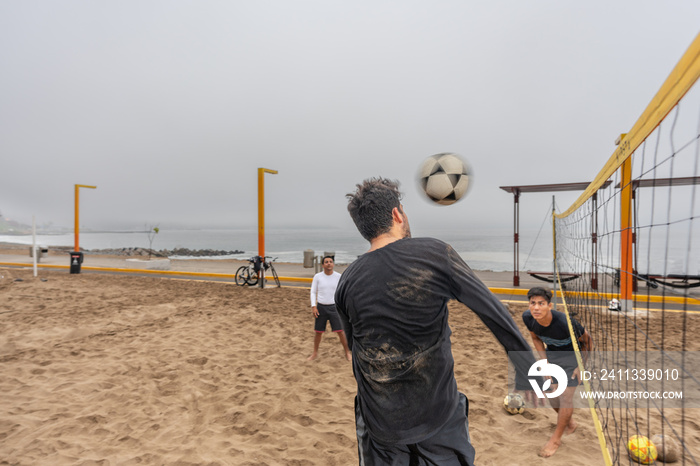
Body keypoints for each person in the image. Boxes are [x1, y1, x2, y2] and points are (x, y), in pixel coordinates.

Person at [334, 177, 538, 465]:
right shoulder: (434, 254)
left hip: (379, 422)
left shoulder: (347, 280)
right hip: (437, 415)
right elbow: (494, 313)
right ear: (397, 214)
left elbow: (356, 348)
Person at [522, 286, 592, 458]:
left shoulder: (565, 323)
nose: (536, 307)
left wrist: (581, 367)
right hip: (553, 356)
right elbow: (535, 338)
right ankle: (570, 423)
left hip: (574, 358)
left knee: (566, 397)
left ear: (549, 306)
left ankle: (556, 439)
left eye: (541, 303)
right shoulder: (528, 318)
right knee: (552, 396)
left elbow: (588, 342)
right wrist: (544, 363)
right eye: (533, 303)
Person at [307, 255, 352, 361]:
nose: (329, 263)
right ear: (323, 265)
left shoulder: (338, 276)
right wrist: (314, 306)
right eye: (326, 262)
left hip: (335, 308)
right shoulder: (318, 276)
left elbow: (343, 292)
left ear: (333, 264)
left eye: (330, 262)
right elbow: (313, 292)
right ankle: (315, 353)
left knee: (341, 332)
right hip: (321, 307)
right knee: (318, 332)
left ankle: (347, 353)